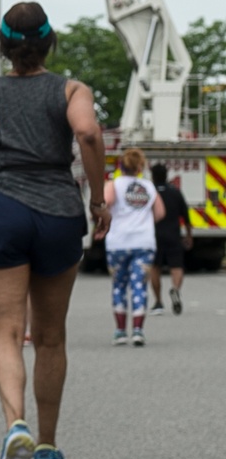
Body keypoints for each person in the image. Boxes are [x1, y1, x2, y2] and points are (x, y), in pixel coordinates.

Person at [0, 1, 109, 459]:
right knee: (50, 336)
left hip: (3, 209)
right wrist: (98, 198)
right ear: (49, 42)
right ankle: (46, 446)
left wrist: (1, 176)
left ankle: (13, 426)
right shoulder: (71, 89)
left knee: (5, 330)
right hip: (59, 211)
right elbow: (86, 131)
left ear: (3, 46)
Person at [104, 147, 164, 347]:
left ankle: (120, 331)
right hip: (143, 242)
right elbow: (160, 212)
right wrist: (143, 221)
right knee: (139, 285)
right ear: (140, 167)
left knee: (119, 285)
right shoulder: (148, 187)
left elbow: (107, 202)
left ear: (122, 165)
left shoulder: (113, 184)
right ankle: (138, 330)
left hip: (118, 242)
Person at [149, 162, 192, 315]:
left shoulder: (150, 193)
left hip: (153, 236)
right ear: (166, 176)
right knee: (177, 266)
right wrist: (188, 235)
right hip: (173, 235)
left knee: (155, 267)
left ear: (152, 176)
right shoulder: (175, 192)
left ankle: (158, 302)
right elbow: (186, 217)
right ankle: (175, 289)